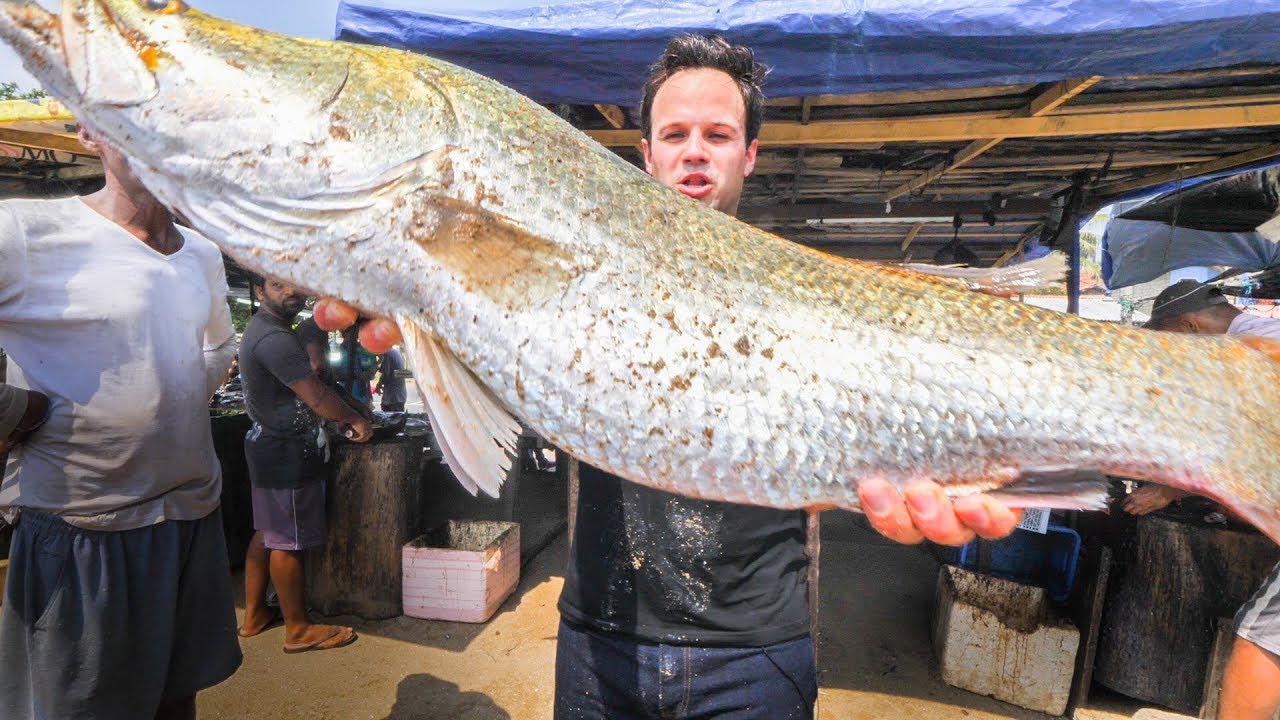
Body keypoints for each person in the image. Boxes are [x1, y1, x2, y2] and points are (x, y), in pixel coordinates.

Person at [553, 34, 1020, 720]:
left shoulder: (806, 298)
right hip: (601, 644)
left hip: (754, 658)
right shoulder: (583, 283)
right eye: (674, 133)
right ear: (645, 154)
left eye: (717, 134)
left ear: (749, 155)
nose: (694, 152)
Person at [0, 126, 242, 719]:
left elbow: (218, 347)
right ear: (90, 131)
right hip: (86, 524)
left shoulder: (202, 254)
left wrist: (171, 398)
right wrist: (17, 408)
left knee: (176, 696)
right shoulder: (24, 231)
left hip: (190, 513)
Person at [1130, 277, 1280, 720]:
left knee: (1261, 637)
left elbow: (1253, 443)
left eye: (1170, 342)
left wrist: (1170, 489)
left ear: (1190, 327)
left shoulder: (1252, 347)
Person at [237, 274, 373, 654]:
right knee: (288, 541)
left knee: (267, 533)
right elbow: (314, 395)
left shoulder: (274, 329)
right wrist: (354, 419)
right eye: (277, 285)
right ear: (260, 291)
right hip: (285, 450)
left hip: (268, 444)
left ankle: (254, 616)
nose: (291, 291)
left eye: (293, 283)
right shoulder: (274, 338)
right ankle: (297, 629)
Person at [376, 346, 409, 412]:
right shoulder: (397, 352)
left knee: (391, 418)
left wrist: (379, 385)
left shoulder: (387, 354)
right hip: (400, 395)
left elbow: (386, 374)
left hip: (392, 398)